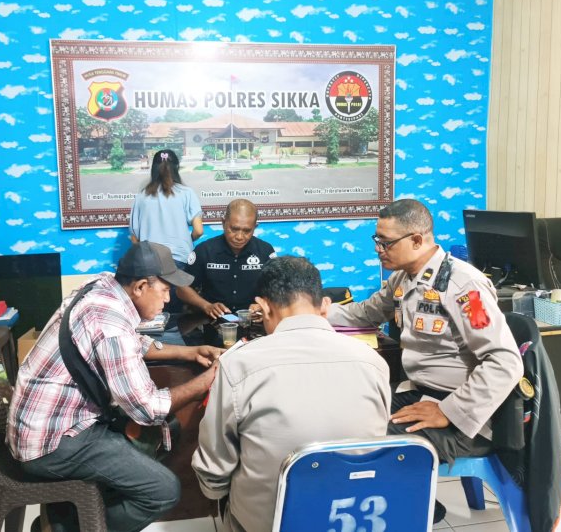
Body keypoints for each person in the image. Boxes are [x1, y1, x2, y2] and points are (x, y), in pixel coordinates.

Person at [326, 199, 524, 522]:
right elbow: (364, 312)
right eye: (377, 240)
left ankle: (409, 512)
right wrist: (313, 312)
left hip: (463, 413)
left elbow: (505, 362)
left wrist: (448, 411)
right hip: (422, 394)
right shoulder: (404, 279)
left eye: (386, 242)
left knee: (377, 437)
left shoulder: (463, 286)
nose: (379, 249)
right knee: (352, 415)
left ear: (417, 240)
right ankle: (409, 504)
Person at [6, 241, 222, 532]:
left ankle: (68, 513)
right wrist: (207, 381)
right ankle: (67, 528)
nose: (168, 300)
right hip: (52, 443)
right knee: (162, 490)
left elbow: (130, 343)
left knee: (162, 434)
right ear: (141, 286)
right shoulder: (112, 325)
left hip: (41, 425)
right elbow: (148, 408)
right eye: (166, 289)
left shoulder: (102, 286)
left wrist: (188, 352)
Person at [192, 257, 391, 532]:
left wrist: (216, 494)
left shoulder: (238, 365)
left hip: (270, 523)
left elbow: (215, 465)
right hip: (355, 518)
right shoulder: (374, 362)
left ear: (262, 308)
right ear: (325, 307)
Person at [177, 199, 276, 318]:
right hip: (212, 323)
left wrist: (263, 305)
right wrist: (206, 306)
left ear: (255, 227)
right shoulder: (205, 251)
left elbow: (278, 289)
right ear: (223, 223)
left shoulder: (266, 251)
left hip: (254, 323)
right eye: (234, 229)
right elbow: (181, 288)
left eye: (247, 231)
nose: (239, 237)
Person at [129, 148, 203, 270]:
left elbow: (134, 238)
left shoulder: (141, 196)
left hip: (150, 261)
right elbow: (199, 231)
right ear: (177, 168)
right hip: (180, 258)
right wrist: (185, 241)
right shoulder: (187, 193)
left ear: (153, 169)